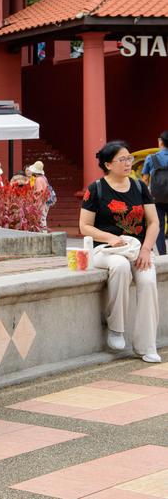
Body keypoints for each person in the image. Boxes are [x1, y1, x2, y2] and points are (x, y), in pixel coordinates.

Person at [80, 140, 161, 363]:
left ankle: (147, 345)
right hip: (105, 250)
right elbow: (84, 226)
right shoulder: (95, 189)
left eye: (129, 158)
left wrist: (146, 249)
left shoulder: (139, 187)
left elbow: (154, 222)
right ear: (108, 164)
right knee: (120, 266)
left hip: (136, 250)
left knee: (148, 281)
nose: (128, 163)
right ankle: (116, 328)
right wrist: (110, 238)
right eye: (122, 159)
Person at [142, 130, 168, 255]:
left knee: (159, 225)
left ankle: (163, 254)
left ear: (161, 142)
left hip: (157, 198)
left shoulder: (151, 158)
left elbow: (145, 180)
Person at [27, 161, 54, 228]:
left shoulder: (38, 179)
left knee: (42, 218)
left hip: (41, 202)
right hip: (45, 201)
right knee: (42, 217)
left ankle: (43, 231)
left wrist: (35, 201)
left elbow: (39, 192)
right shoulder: (43, 177)